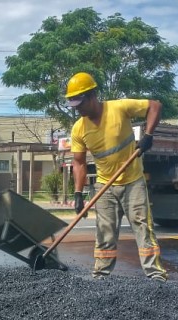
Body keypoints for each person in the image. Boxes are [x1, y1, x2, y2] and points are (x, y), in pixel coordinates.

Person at [67, 72, 168, 282]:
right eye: (74, 105)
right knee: (104, 233)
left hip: (133, 181)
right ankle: (101, 276)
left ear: (92, 95)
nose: (77, 109)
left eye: (79, 103)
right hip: (105, 185)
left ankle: (156, 276)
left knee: (143, 228)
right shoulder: (79, 128)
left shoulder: (119, 108)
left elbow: (155, 106)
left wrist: (148, 135)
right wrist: (78, 193)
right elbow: (79, 162)